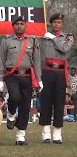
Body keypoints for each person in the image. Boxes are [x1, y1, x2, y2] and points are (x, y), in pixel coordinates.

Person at [0, 16, 42, 146]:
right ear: (13, 26)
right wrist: (0, 78)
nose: (20, 26)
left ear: (25, 25)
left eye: (22, 24)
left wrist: (39, 79)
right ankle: (10, 113)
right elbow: (1, 60)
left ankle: (20, 136)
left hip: (27, 76)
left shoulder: (32, 40)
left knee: (26, 106)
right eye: (17, 24)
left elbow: (37, 61)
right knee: (15, 98)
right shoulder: (6, 40)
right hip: (12, 75)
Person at [39, 13, 75, 144]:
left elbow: (64, 49)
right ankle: (46, 133)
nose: (56, 24)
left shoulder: (68, 37)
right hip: (47, 71)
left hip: (60, 72)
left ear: (62, 24)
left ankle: (57, 134)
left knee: (59, 103)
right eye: (54, 22)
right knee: (46, 102)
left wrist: (54, 38)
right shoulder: (44, 37)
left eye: (59, 22)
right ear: (51, 24)